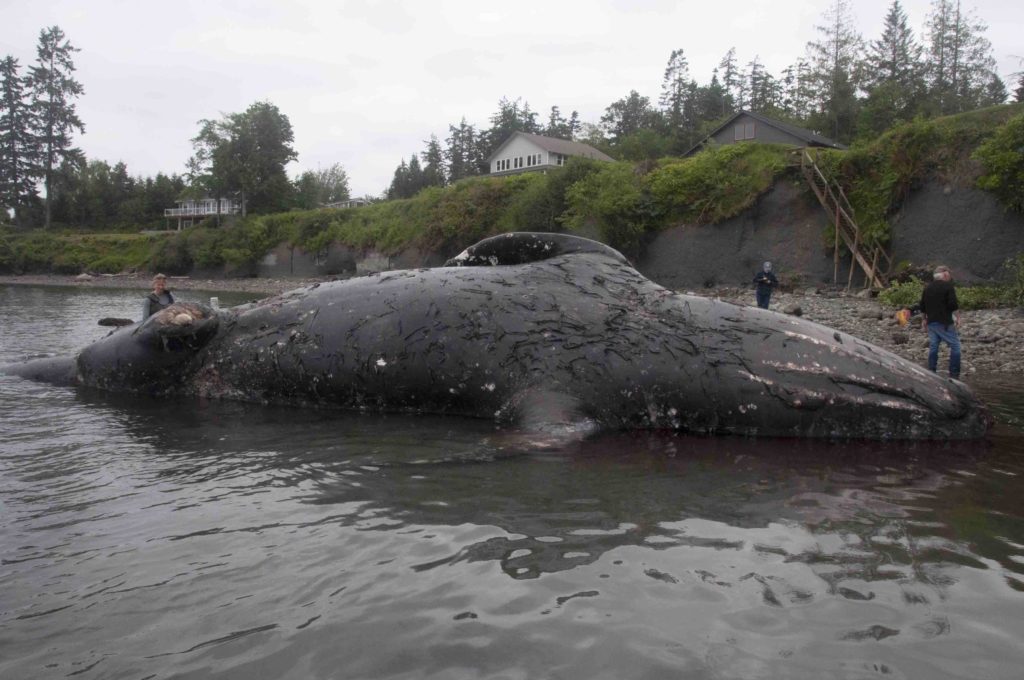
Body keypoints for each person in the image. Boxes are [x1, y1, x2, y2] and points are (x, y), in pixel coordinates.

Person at [919, 265, 961, 379]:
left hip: (931, 322)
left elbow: (922, 306)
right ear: (945, 274)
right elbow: (953, 305)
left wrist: (924, 319)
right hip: (945, 322)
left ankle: (932, 371)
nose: (950, 277)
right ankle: (954, 374)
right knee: (956, 346)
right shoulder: (948, 286)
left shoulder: (927, 288)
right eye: (949, 275)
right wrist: (958, 318)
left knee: (933, 346)